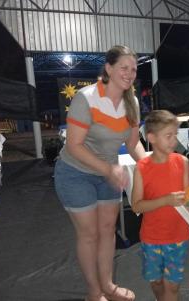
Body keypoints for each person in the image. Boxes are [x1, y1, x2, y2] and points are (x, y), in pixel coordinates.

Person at [54, 45, 146, 301]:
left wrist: (148, 164)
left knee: (107, 230)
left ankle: (107, 285)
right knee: (89, 234)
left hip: (108, 174)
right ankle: (94, 293)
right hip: (75, 172)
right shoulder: (86, 97)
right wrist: (109, 169)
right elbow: (74, 145)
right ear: (108, 68)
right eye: (124, 68)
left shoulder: (133, 102)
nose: (129, 74)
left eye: (134, 69)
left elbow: (132, 142)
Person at [131, 110, 189, 301]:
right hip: (152, 238)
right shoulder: (142, 168)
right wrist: (165, 200)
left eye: (175, 134)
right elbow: (136, 206)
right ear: (151, 137)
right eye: (168, 135)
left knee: (172, 288)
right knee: (156, 283)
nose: (174, 140)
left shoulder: (182, 162)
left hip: (178, 237)